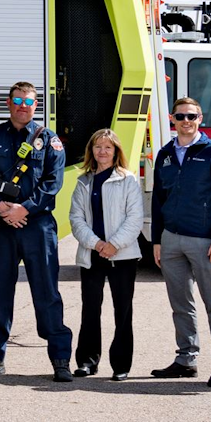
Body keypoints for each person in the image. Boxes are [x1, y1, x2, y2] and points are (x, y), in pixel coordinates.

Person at [0, 81, 75, 382]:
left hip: (37, 226)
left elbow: (53, 183)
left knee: (47, 293)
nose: (22, 106)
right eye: (17, 100)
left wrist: (24, 208)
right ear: (8, 103)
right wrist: (1, 207)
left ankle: (60, 359)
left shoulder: (50, 140)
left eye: (28, 102)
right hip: (3, 226)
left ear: (36, 105)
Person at [150, 96, 211, 387]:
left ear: (200, 119)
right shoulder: (164, 154)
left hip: (205, 242)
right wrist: (157, 240)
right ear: (172, 119)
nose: (185, 121)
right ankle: (186, 359)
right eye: (180, 116)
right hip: (171, 240)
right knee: (180, 303)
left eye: (191, 116)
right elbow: (158, 200)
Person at [69, 128, 144, 381]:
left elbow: (135, 219)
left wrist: (113, 244)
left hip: (122, 256)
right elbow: (76, 218)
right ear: (92, 151)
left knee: (122, 310)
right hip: (92, 254)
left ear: (116, 152)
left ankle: (121, 364)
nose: (102, 151)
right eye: (98, 147)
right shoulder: (84, 181)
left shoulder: (128, 179)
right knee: (90, 308)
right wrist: (96, 243)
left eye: (108, 147)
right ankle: (87, 361)